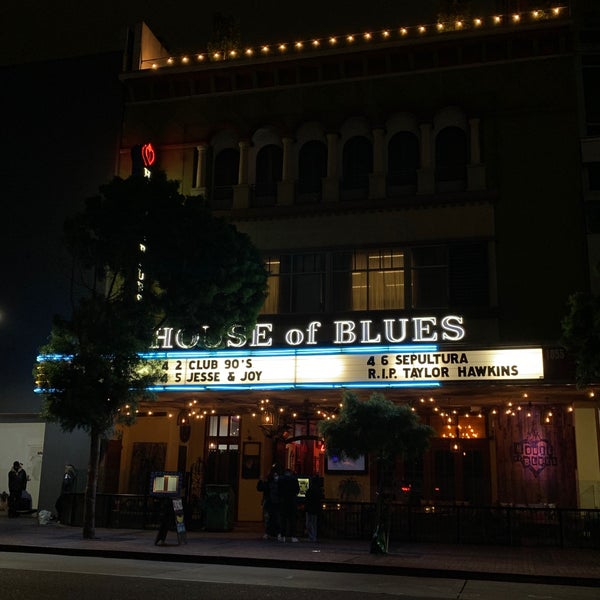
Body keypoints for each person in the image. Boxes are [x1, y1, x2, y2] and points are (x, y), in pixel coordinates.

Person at [278, 468, 300, 542]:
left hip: (283, 501)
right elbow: (297, 490)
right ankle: (293, 536)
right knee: (292, 520)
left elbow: (278, 490)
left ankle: (283, 536)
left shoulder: (281, 480)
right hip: (292, 501)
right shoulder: (294, 480)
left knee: (283, 519)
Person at [304, 476, 324, 542]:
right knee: (314, 523)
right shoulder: (318, 490)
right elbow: (321, 498)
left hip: (309, 508)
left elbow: (306, 498)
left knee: (309, 523)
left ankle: (311, 536)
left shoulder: (310, 490)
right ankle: (314, 537)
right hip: (315, 509)